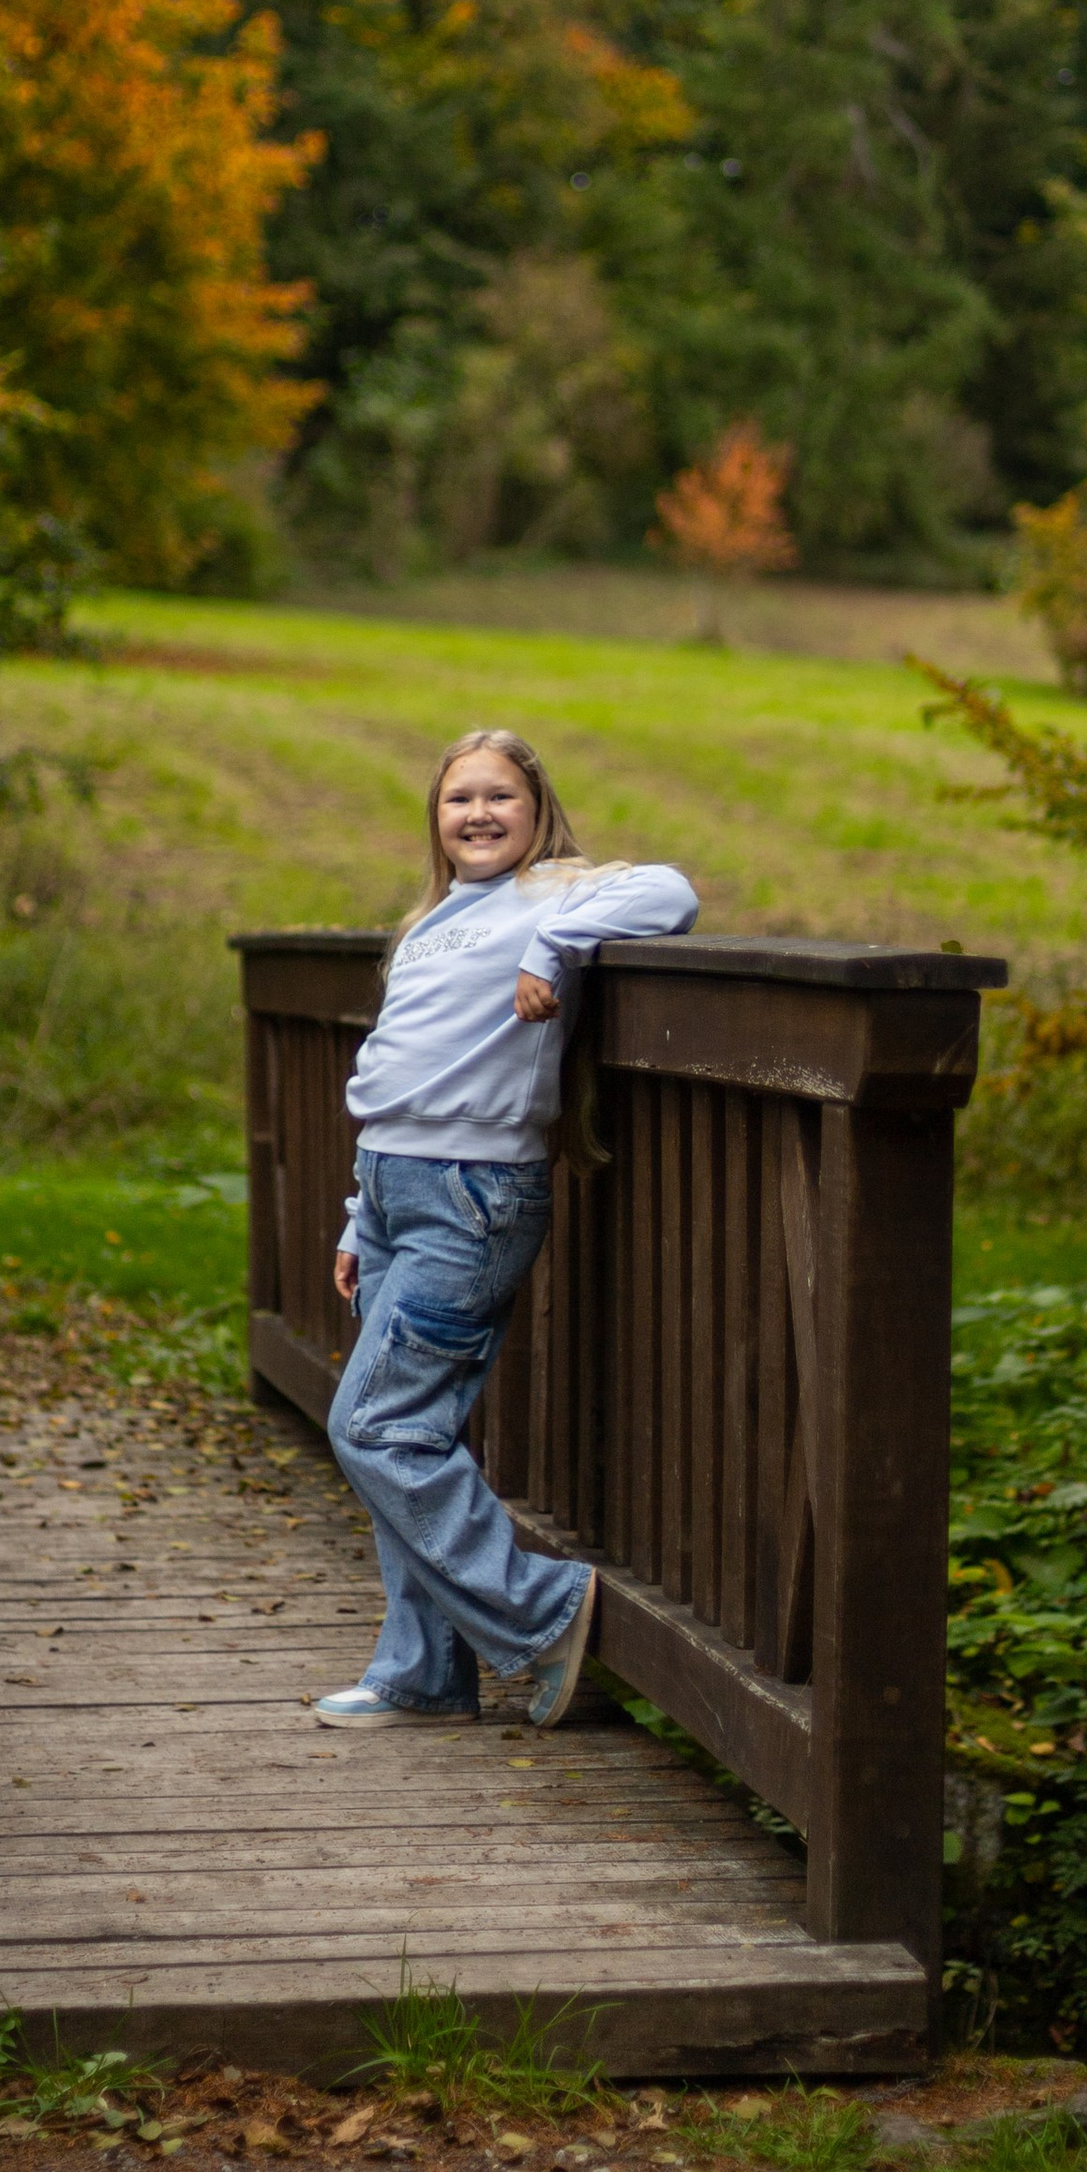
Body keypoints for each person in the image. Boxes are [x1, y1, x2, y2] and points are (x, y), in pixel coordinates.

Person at [311, 726, 698, 1734]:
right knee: (406, 1433)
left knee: (375, 1426)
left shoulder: (553, 894)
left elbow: (669, 892)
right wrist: (359, 1216)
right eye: (457, 800)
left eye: (499, 798)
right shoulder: (432, 919)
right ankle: (424, 1672)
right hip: (396, 1190)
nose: (478, 814)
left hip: (474, 1195)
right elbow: (402, 1078)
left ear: (535, 812)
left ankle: (544, 1608)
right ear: (435, 824)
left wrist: (552, 947)